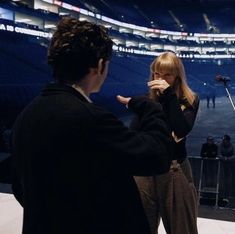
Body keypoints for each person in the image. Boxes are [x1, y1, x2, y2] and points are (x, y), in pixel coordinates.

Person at [11, 17, 173, 234]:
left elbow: (19, 187)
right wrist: (150, 107)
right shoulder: (89, 119)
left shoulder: (27, 115)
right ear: (99, 65)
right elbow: (157, 156)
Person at [131, 52, 199, 234]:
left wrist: (168, 95)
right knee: (140, 226)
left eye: (167, 74)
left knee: (181, 227)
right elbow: (135, 134)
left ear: (177, 76)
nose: (160, 79)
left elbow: (181, 130)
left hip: (174, 168)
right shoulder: (146, 100)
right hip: (145, 170)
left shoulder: (189, 100)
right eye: (157, 74)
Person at [219, 134, 234, 202]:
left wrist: (228, 159)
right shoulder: (220, 145)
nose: (224, 141)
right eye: (223, 140)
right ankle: (223, 195)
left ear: (228, 140)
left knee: (230, 180)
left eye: (225, 140)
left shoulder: (233, 146)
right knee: (223, 180)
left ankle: (230, 195)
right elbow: (218, 154)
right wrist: (223, 158)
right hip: (222, 165)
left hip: (231, 166)